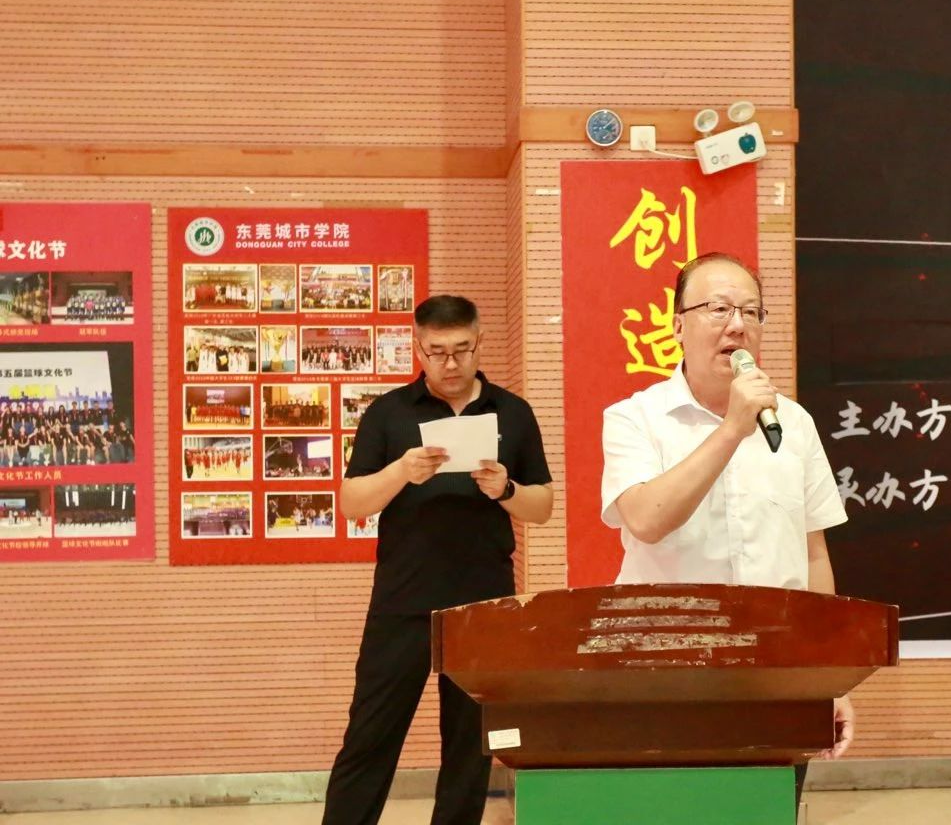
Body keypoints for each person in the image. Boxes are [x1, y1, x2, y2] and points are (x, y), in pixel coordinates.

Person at [599, 251, 854, 802]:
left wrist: (827, 681)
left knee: (767, 810)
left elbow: (813, 555)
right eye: (718, 309)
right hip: (666, 672)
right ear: (677, 325)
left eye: (751, 312)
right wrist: (732, 428)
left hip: (775, 674)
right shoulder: (634, 418)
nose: (737, 325)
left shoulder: (794, 422)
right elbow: (645, 520)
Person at [323, 294, 554, 825]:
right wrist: (400, 472)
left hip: (483, 604)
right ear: (418, 348)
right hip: (403, 601)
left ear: (480, 343)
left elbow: (542, 506)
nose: (450, 364)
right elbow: (352, 503)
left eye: (462, 350)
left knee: (470, 748)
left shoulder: (512, 412)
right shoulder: (389, 413)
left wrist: (506, 489)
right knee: (370, 737)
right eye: (437, 352)